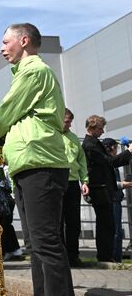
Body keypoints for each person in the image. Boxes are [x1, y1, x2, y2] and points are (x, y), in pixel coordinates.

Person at [0, 23, 79, 296]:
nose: (2, 47)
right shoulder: (23, 72)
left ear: (24, 41)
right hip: (27, 166)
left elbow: (6, 113)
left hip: (42, 166)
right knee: (36, 246)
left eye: (6, 41)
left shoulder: (34, 71)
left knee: (47, 244)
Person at [83, 115, 132, 263]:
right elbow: (109, 161)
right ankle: (104, 256)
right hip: (100, 190)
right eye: (100, 128)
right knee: (105, 224)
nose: (102, 131)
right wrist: (129, 152)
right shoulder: (90, 145)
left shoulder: (95, 143)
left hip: (104, 189)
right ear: (92, 127)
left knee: (108, 224)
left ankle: (107, 255)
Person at [59, 108, 89, 267]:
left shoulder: (73, 138)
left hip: (72, 183)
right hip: (57, 182)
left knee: (73, 222)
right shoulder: (52, 136)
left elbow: (82, 160)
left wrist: (84, 181)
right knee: (58, 222)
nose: (69, 125)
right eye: (66, 122)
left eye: (70, 122)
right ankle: (61, 257)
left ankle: (73, 255)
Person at [103, 138, 132, 262]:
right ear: (111, 148)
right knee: (116, 231)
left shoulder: (112, 163)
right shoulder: (108, 163)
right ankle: (115, 257)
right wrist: (123, 184)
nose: (117, 151)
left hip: (116, 199)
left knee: (117, 230)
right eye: (116, 148)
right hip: (113, 199)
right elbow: (109, 182)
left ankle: (117, 257)